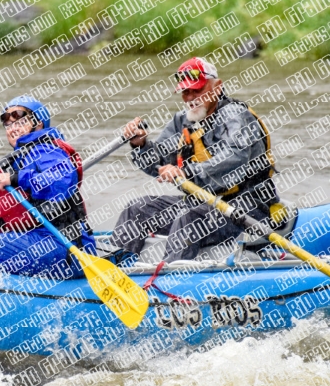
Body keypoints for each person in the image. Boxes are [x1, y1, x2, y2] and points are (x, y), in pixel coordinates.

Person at [112, 57, 287, 263]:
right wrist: (139, 144)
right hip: (202, 204)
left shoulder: (236, 116)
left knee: (190, 218)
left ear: (217, 86)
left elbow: (235, 157)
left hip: (249, 208)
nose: (191, 98)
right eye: (186, 92)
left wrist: (186, 172)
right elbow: (157, 163)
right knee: (137, 209)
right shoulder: (182, 120)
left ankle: (169, 283)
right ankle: (114, 271)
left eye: (198, 90)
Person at [0, 95, 96, 279]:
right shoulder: (17, 161)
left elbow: (62, 182)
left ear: (38, 124)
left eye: (20, 120)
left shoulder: (46, 150)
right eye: (8, 123)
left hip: (65, 247)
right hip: (37, 243)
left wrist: (17, 178)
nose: (13, 127)